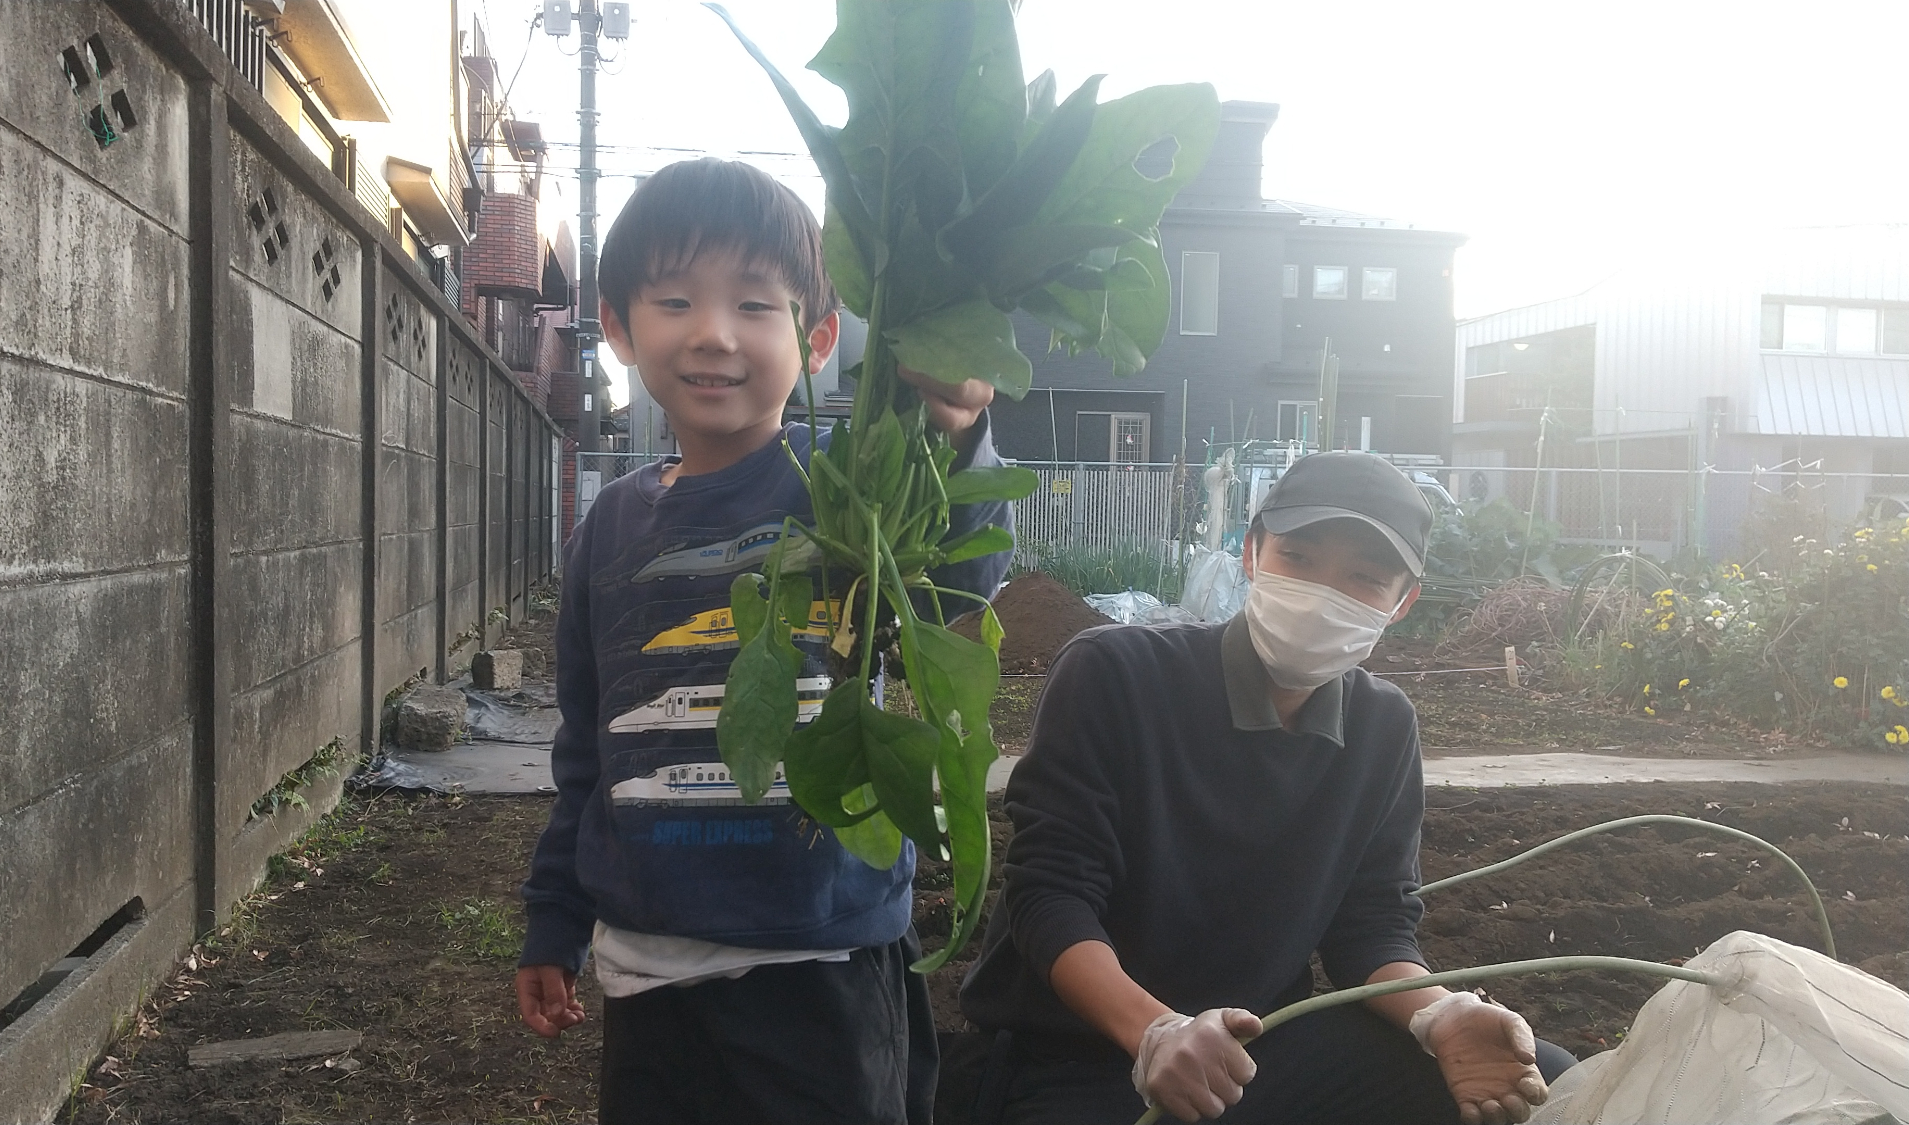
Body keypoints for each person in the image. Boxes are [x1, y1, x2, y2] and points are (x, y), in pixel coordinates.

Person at [515, 158, 1013, 1125]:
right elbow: (587, 752)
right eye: (673, 300)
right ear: (617, 326)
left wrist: (957, 431)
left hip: (820, 958)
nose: (713, 333)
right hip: (647, 965)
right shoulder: (607, 530)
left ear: (818, 338)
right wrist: (554, 916)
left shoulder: (844, 490)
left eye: (756, 304)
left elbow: (956, 579)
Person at [945, 452, 1578, 1125]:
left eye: (1365, 577)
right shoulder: (1115, 675)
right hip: (1075, 1057)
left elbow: (1371, 931)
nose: (1324, 592)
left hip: (1255, 1057)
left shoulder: (1382, 727)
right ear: (1251, 553)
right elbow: (1051, 896)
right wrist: (1157, 1032)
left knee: (1543, 1079)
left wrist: (1441, 1012)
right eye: (1299, 558)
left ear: (1402, 603)